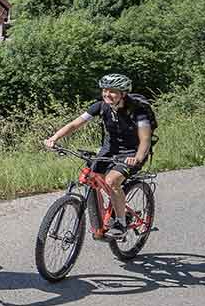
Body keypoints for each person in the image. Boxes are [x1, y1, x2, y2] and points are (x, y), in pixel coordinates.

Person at [43, 73, 154, 238]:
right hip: (109, 150)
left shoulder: (138, 112)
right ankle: (102, 222)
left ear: (123, 93)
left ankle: (121, 222)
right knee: (90, 177)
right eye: (105, 90)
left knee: (112, 181)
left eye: (113, 91)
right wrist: (54, 138)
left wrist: (137, 158)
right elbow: (75, 124)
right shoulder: (101, 106)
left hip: (132, 152)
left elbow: (145, 140)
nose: (107, 94)